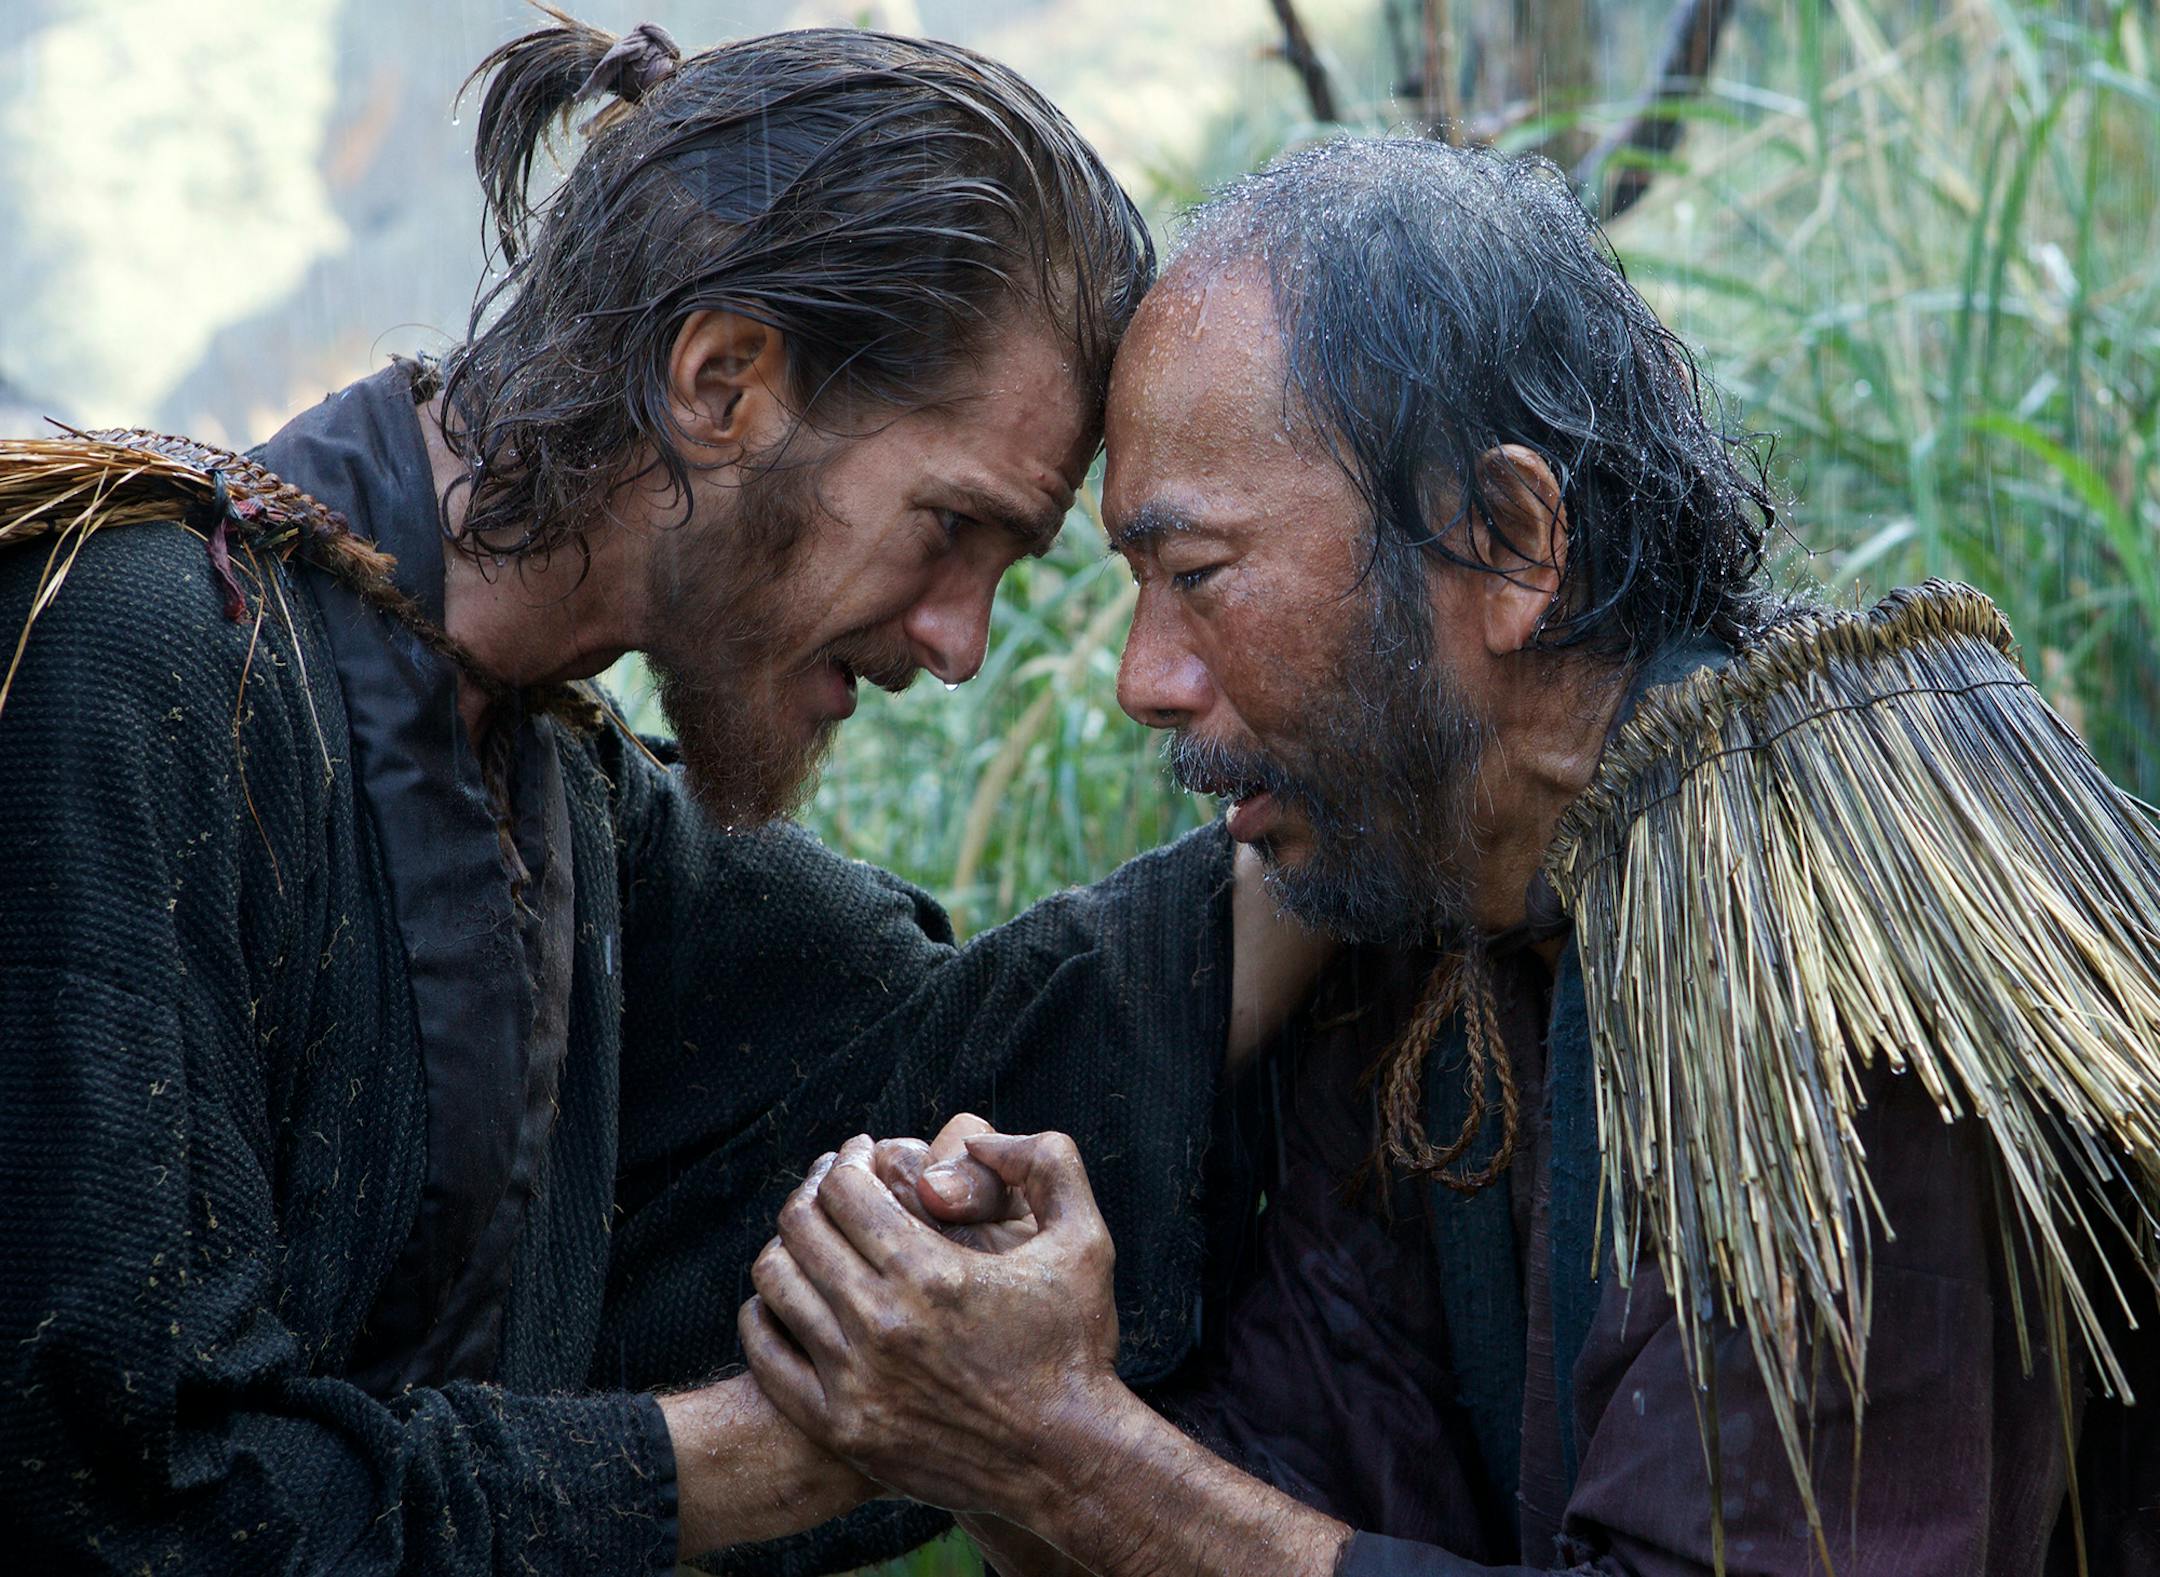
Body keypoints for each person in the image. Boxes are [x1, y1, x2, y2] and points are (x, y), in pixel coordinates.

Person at [0, 17, 1325, 1575]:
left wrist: (1392, 777)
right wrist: (793, 1446)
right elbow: (124, 1491)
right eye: (948, 528)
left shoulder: (554, 791)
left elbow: (977, 1034)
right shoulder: (124, 653)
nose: (960, 645)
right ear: (724, 382)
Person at [743, 139, 2160, 1575]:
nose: (1144, 677)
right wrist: (999, 1400)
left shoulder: (1842, 952)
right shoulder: (1432, 912)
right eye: (1135, 586)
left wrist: (1058, 1445)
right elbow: (1304, 1475)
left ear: (1508, 539)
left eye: (1199, 577)